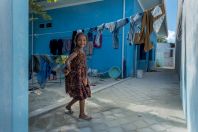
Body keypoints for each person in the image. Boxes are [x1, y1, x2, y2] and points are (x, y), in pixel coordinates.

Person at [64, 32, 92, 120]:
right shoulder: (77, 51)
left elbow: (83, 64)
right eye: (80, 40)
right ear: (76, 41)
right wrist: (69, 69)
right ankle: (82, 114)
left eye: (84, 40)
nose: (82, 42)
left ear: (86, 41)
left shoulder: (82, 50)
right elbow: (67, 61)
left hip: (82, 75)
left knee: (80, 94)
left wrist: (85, 76)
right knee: (82, 95)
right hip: (77, 77)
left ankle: (68, 106)